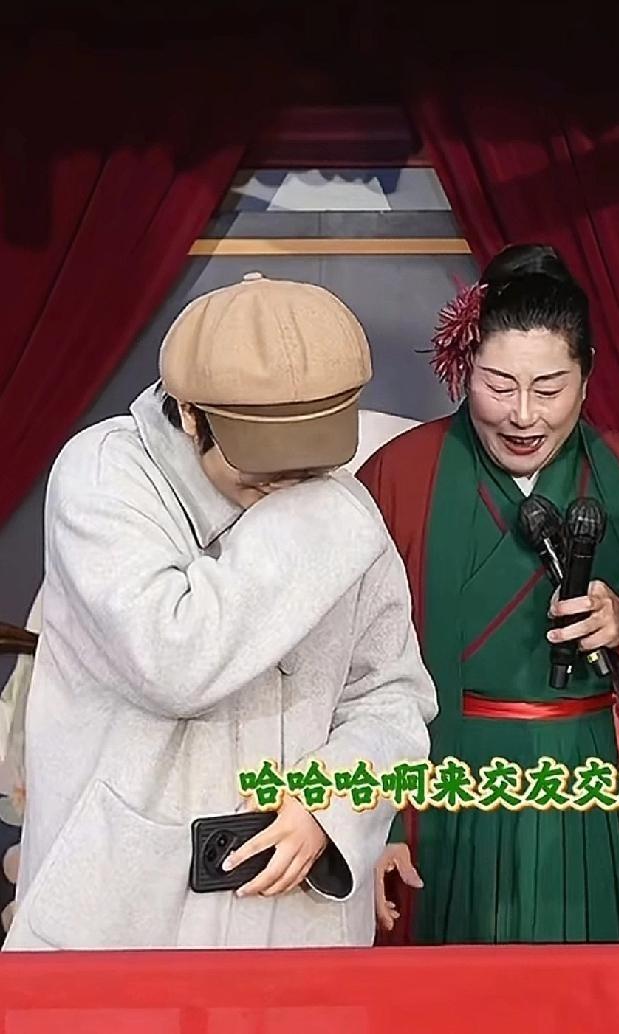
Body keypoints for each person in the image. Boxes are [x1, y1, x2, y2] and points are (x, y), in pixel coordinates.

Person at [4, 272, 436, 951]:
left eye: (308, 465)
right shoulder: (104, 475)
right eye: (263, 463)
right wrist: (312, 515)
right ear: (191, 414)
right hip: (125, 912)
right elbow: (175, 660)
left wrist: (330, 804)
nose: (286, 485)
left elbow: (393, 698)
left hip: (294, 920)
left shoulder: (343, 502)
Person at [357, 245, 619, 944]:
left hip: (596, 780)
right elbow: (347, 670)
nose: (522, 416)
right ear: (464, 368)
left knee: (592, 986)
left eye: (548, 389)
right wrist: (373, 825)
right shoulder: (401, 475)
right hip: (439, 782)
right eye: (498, 385)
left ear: (588, 375)